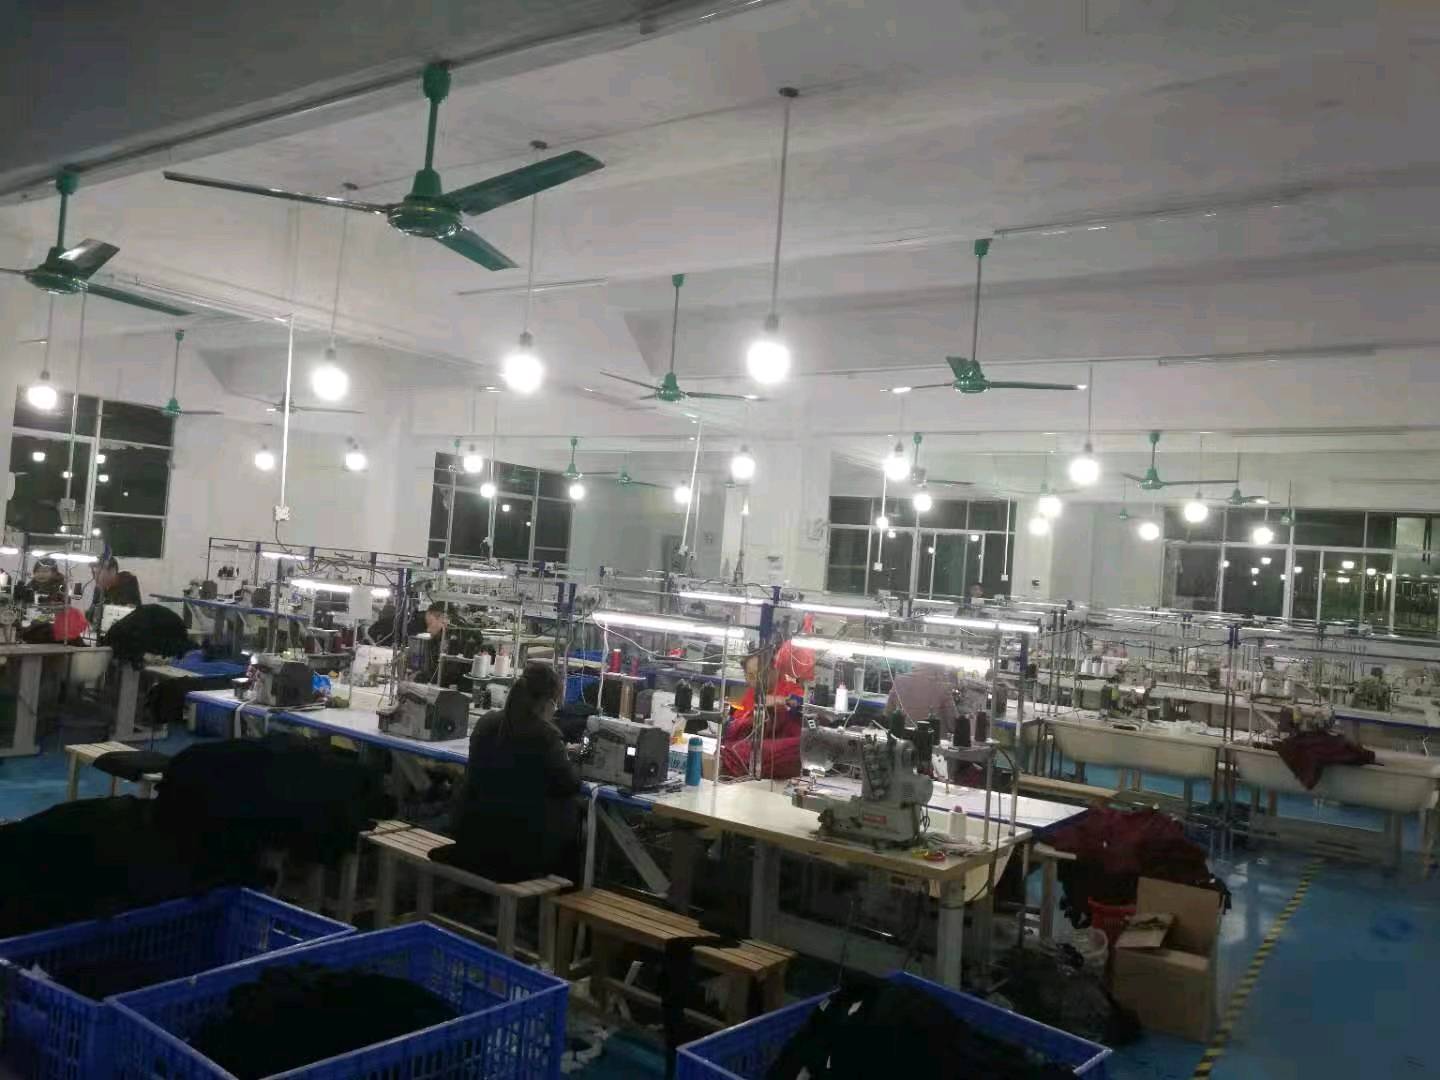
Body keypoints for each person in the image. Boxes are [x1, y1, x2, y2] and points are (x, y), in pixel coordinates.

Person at [433, 663, 582, 882]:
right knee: (576, 813)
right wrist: (576, 761)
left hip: (471, 838)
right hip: (517, 854)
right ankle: (564, 896)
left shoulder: (486, 722)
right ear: (549, 703)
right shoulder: (546, 736)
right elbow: (570, 784)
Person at [719, 639, 815, 780]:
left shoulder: (791, 690)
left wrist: (781, 701)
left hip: (781, 759)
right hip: (755, 761)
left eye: (759, 674)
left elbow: (805, 706)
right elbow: (739, 726)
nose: (754, 681)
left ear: (774, 670)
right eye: (750, 676)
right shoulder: (753, 693)